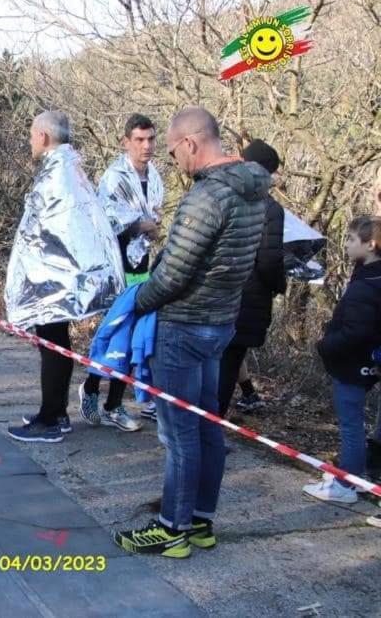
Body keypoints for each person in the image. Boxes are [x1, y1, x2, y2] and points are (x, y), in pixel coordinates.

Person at [114, 106, 269, 559]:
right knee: (205, 427)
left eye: (173, 150)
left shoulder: (207, 198)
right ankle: (201, 520)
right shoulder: (253, 190)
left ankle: (172, 529)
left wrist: (133, 305)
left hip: (184, 326)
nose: (173, 161)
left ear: (190, 143)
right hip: (221, 322)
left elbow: (173, 275)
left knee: (178, 433)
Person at [4, 111, 125, 444]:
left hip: (54, 280)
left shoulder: (57, 174)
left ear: (43, 136)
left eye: (32, 135)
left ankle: (50, 419)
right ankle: (56, 411)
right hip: (60, 278)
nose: (30, 141)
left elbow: (47, 231)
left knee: (53, 344)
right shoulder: (69, 170)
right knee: (56, 343)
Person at [79, 114, 164, 431]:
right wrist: (138, 224)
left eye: (151, 139)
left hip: (142, 267)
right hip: (117, 268)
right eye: (140, 140)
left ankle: (114, 404)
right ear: (126, 141)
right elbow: (104, 221)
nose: (147, 146)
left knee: (135, 337)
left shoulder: (154, 175)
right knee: (115, 334)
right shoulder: (114, 177)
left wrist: (152, 225)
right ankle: (90, 388)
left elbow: (154, 212)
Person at [303, 216, 381, 504]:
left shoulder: (367, 285)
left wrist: (325, 346)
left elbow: (356, 332)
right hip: (359, 363)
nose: (346, 245)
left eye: (351, 240)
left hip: (352, 364)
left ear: (370, 245)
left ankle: (346, 485)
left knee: (351, 425)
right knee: (355, 423)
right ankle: (355, 475)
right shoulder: (367, 277)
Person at [218, 139, 287, 418]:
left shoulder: (220, 195)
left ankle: (194, 432)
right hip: (248, 298)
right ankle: (209, 436)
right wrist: (279, 285)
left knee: (212, 365)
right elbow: (269, 261)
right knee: (228, 365)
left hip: (215, 295)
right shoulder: (270, 210)